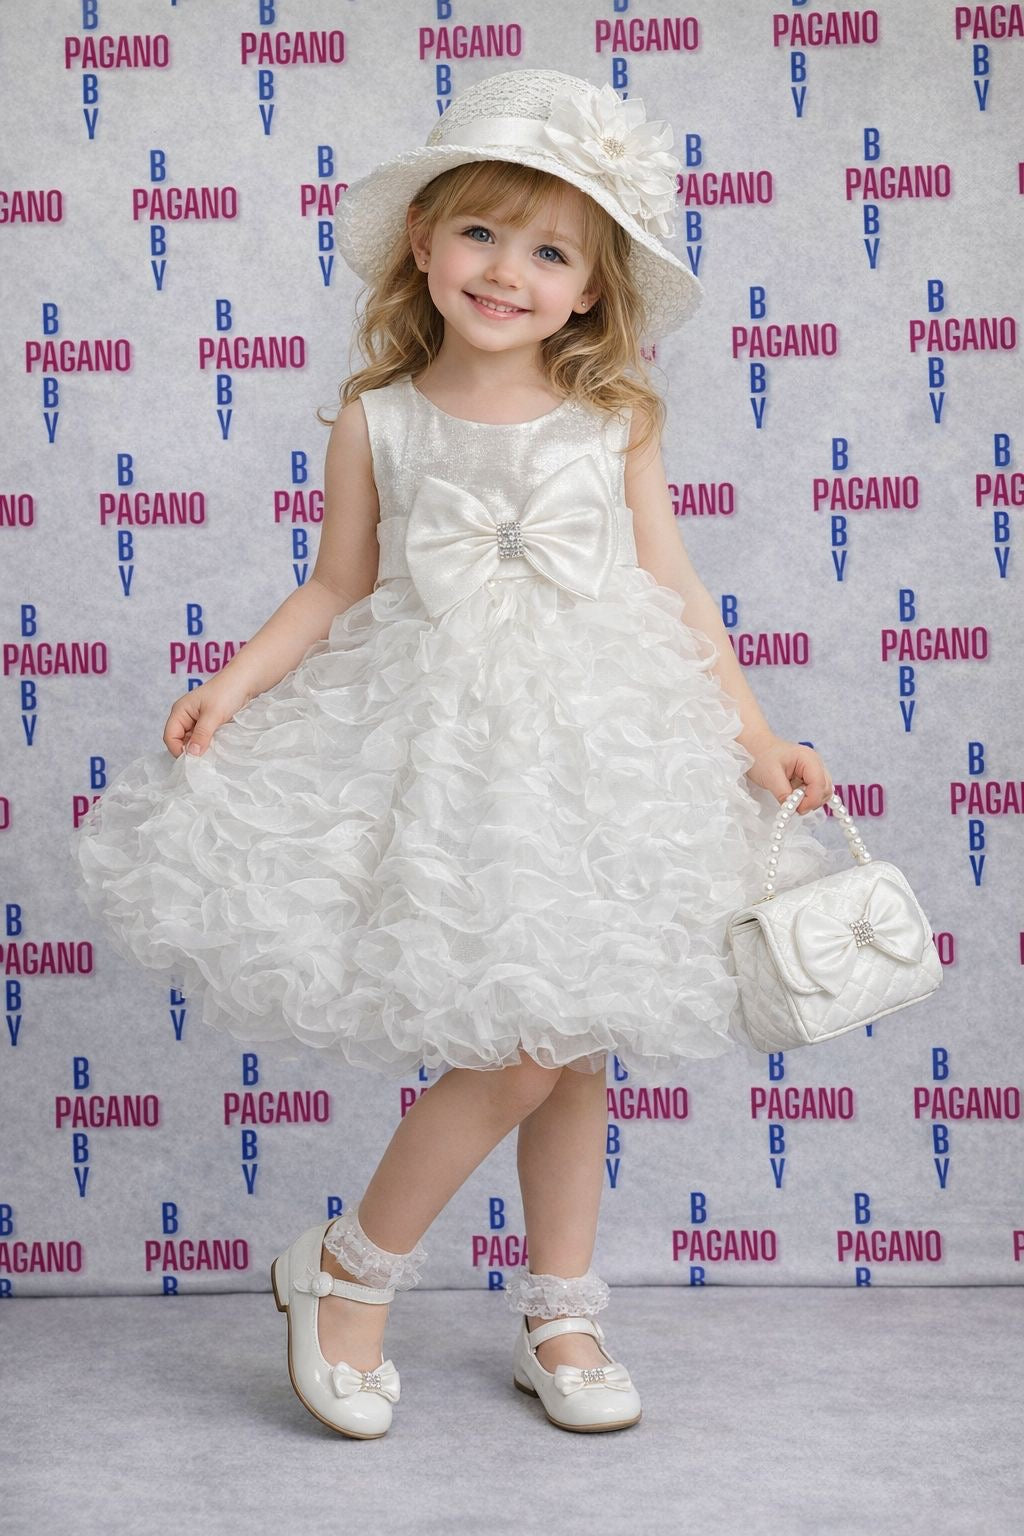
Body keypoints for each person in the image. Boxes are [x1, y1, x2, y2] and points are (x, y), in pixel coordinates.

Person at [70, 68, 844, 1439]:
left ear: (591, 293)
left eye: (551, 252)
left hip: (597, 751)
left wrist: (756, 734)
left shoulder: (614, 421)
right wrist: (232, 683)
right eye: (481, 233)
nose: (506, 271)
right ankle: (349, 1271)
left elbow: (676, 590)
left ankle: (561, 1313)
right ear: (423, 242)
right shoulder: (379, 418)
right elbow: (336, 586)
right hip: (445, 755)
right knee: (522, 1041)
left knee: (574, 1039)